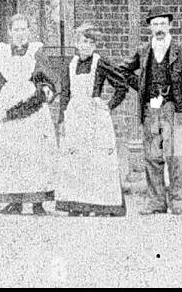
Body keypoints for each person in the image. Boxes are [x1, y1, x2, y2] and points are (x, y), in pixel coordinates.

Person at [117, 7, 182, 216]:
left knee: (174, 156)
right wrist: (142, 85)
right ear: (150, 27)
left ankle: (178, 202)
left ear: (170, 25)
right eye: (155, 24)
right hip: (151, 108)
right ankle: (156, 202)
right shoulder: (144, 50)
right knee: (153, 156)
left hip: (173, 107)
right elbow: (123, 70)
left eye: (163, 24)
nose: (159, 28)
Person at [0, 13, 64, 215]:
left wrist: (45, 90)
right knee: (11, 154)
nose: (20, 33)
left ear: (29, 31)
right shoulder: (1, 52)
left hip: (32, 108)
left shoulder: (37, 51)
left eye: (23, 29)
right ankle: (14, 200)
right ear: (10, 32)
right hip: (7, 105)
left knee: (35, 152)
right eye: (15, 29)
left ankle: (37, 201)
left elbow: (50, 79)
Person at [54, 23, 130, 216]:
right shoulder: (70, 64)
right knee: (76, 159)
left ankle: (99, 204)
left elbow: (121, 85)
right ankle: (78, 204)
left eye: (90, 42)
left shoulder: (100, 62)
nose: (86, 45)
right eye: (83, 41)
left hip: (94, 116)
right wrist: (62, 119)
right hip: (75, 115)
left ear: (95, 45)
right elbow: (65, 94)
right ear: (76, 43)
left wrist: (108, 105)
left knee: (96, 160)